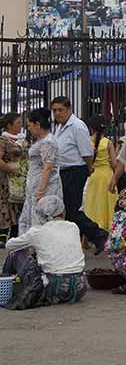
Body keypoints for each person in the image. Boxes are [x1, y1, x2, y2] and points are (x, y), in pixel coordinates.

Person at [2, 195, 87, 306]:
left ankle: (5, 283)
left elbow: (9, 245)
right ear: (62, 212)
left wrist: (29, 244)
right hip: (79, 288)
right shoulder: (73, 227)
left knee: (15, 254)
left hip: (54, 289)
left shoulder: (37, 232)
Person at [49, 96, 107, 253]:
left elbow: (86, 152)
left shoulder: (77, 126)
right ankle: (71, 244)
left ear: (69, 109)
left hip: (75, 170)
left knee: (72, 210)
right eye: (54, 110)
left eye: (60, 110)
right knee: (67, 209)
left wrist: (89, 168)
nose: (57, 113)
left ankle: (99, 235)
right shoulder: (59, 127)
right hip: (63, 170)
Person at [19, 108, 63, 238]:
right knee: (32, 218)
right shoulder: (41, 141)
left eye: (30, 125)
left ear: (37, 125)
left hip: (45, 188)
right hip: (34, 186)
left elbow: (48, 167)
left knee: (41, 219)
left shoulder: (48, 142)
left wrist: (41, 191)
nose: (29, 129)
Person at [83, 115, 118, 232]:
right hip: (107, 176)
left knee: (92, 205)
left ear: (91, 128)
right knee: (107, 205)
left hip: (93, 176)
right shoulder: (108, 142)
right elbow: (114, 163)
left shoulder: (87, 141)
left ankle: (86, 237)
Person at [0, 112, 26, 244]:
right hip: (6, 178)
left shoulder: (22, 139)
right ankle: (3, 235)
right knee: (6, 205)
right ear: (9, 125)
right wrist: (11, 169)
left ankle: (15, 234)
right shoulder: (3, 140)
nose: (21, 125)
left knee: (18, 204)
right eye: (18, 123)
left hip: (20, 178)